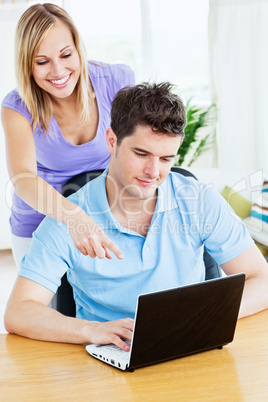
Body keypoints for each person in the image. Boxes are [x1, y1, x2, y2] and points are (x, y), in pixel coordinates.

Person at [4, 82, 268, 351]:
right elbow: (19, 312)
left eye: (166, 159)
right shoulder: (71, 220)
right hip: (111, 358)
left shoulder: (200, 201)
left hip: (189, 347)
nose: (153, 172)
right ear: (111, 141)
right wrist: (92, 330)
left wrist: (204, 317)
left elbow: (262, 280)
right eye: (141, 154)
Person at [1, 3, 135, 268]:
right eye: (42, 62)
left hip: (105, 217)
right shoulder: (16, 108)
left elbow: (137, 148)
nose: (58, 71)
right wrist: (75, 216)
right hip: (40, 225)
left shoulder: (117, 80)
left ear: (78, 48)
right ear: (27, 65)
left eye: (65, 55)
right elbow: (24, 179)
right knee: (53, 309)